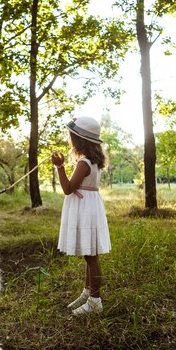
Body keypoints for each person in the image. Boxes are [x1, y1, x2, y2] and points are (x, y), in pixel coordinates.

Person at [51, 116, 111, 315]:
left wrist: (59, 167)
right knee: (89, 254)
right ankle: (88, 292)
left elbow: (68, 188)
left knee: (92, 257)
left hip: (85, 209)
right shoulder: (93, 162)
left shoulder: (84, 163)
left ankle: (95, 301)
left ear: (79, 141)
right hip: (90, 206)